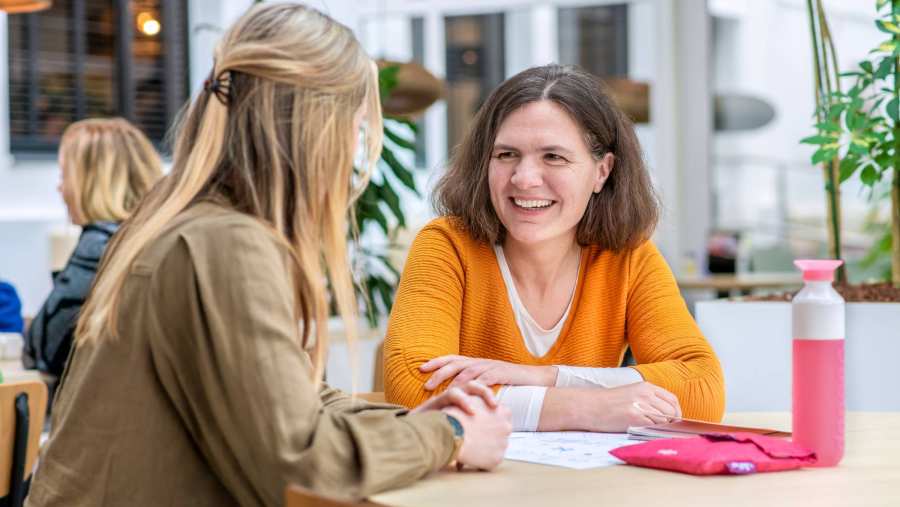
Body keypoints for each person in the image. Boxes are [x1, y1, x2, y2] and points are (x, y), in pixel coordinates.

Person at [26, 4, 510, 506]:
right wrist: (448, 432)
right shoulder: (225, 246)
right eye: (356, 127)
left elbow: (288, 395)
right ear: (318, 128)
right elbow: (301, 464)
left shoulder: (179, 221)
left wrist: (420, 422)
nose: (354, 151)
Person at [384, 64, 725, 432]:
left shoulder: (628, 257)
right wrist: (586, 408)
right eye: (506, 155)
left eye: (554, 157)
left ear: (602, 171)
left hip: (583, 485)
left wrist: (545, 377)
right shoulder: (447, 245)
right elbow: (416, 388)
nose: (524, 178)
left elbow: (702, 387)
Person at [23, 118, 162, 381]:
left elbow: (43, 349)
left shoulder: (99, 245)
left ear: (92, 181)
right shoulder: (153, 233)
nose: (60, 188)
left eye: (65, 175)